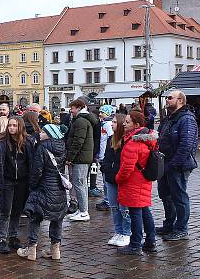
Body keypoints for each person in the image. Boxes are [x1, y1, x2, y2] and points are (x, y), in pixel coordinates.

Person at [18, 123, 69, 262]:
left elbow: (37, 171)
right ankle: (55, 250)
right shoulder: (62, 147)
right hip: (58, 189)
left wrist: (32, 186)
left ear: (49, 134)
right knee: (57, 219)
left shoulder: (42, 148)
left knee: (35, 217)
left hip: (43, 188)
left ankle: (31, 250)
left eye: (43, 132)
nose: (40, 133)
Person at [156, 90, 198, 241]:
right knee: (165, 195)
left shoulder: (186, 119)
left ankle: (181, 228)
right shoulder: (170, 118)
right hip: (165, 163)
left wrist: (174, 164)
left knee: (179, 197)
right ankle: (169, 224)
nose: (167, 100)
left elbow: (186, 145)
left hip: (178, 165)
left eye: (169, 98)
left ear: (180, 100)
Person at [115, 110, 158, 255]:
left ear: (137, 125)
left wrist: (118, 178)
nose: (124, 124)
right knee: (144, 211)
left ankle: (135, 244)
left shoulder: (133, 143)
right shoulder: (146, 139)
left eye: (127, 122)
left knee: (135, 214)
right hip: (143, 180)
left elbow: (127, 167)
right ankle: (150, 241)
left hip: (134, 182)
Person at [0, 116, 31, 253]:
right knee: (5, 210)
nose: (11, 128)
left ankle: (13, 236)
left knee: (17, 210)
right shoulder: (0, 142)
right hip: (6, 181)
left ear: (20, 127)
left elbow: (31, 163)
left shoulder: (27, 142)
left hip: (22, 181)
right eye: (10, 125)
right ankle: (1, 239)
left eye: (14, 125)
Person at [100, 112, 131, 247]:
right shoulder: (111, 139)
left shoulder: (126, 140)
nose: (111, 124)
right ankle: (118, 231)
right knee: (114, 207)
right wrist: (105, 168)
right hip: (110, 177)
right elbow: (107, 157)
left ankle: (126, 233)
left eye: (114, 122)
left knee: (124, 208)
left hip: (121, 178)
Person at [66, 99, 98, 222]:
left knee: (79, 183)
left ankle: (84, 211)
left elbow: (78, 141)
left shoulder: (80, 121)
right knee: (82, 183)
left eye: (73, 108)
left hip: (81, 158)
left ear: (79, 108)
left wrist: (70, 157)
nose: (71, 110)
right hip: (83, 157)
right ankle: (82, 209)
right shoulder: (84, 120)